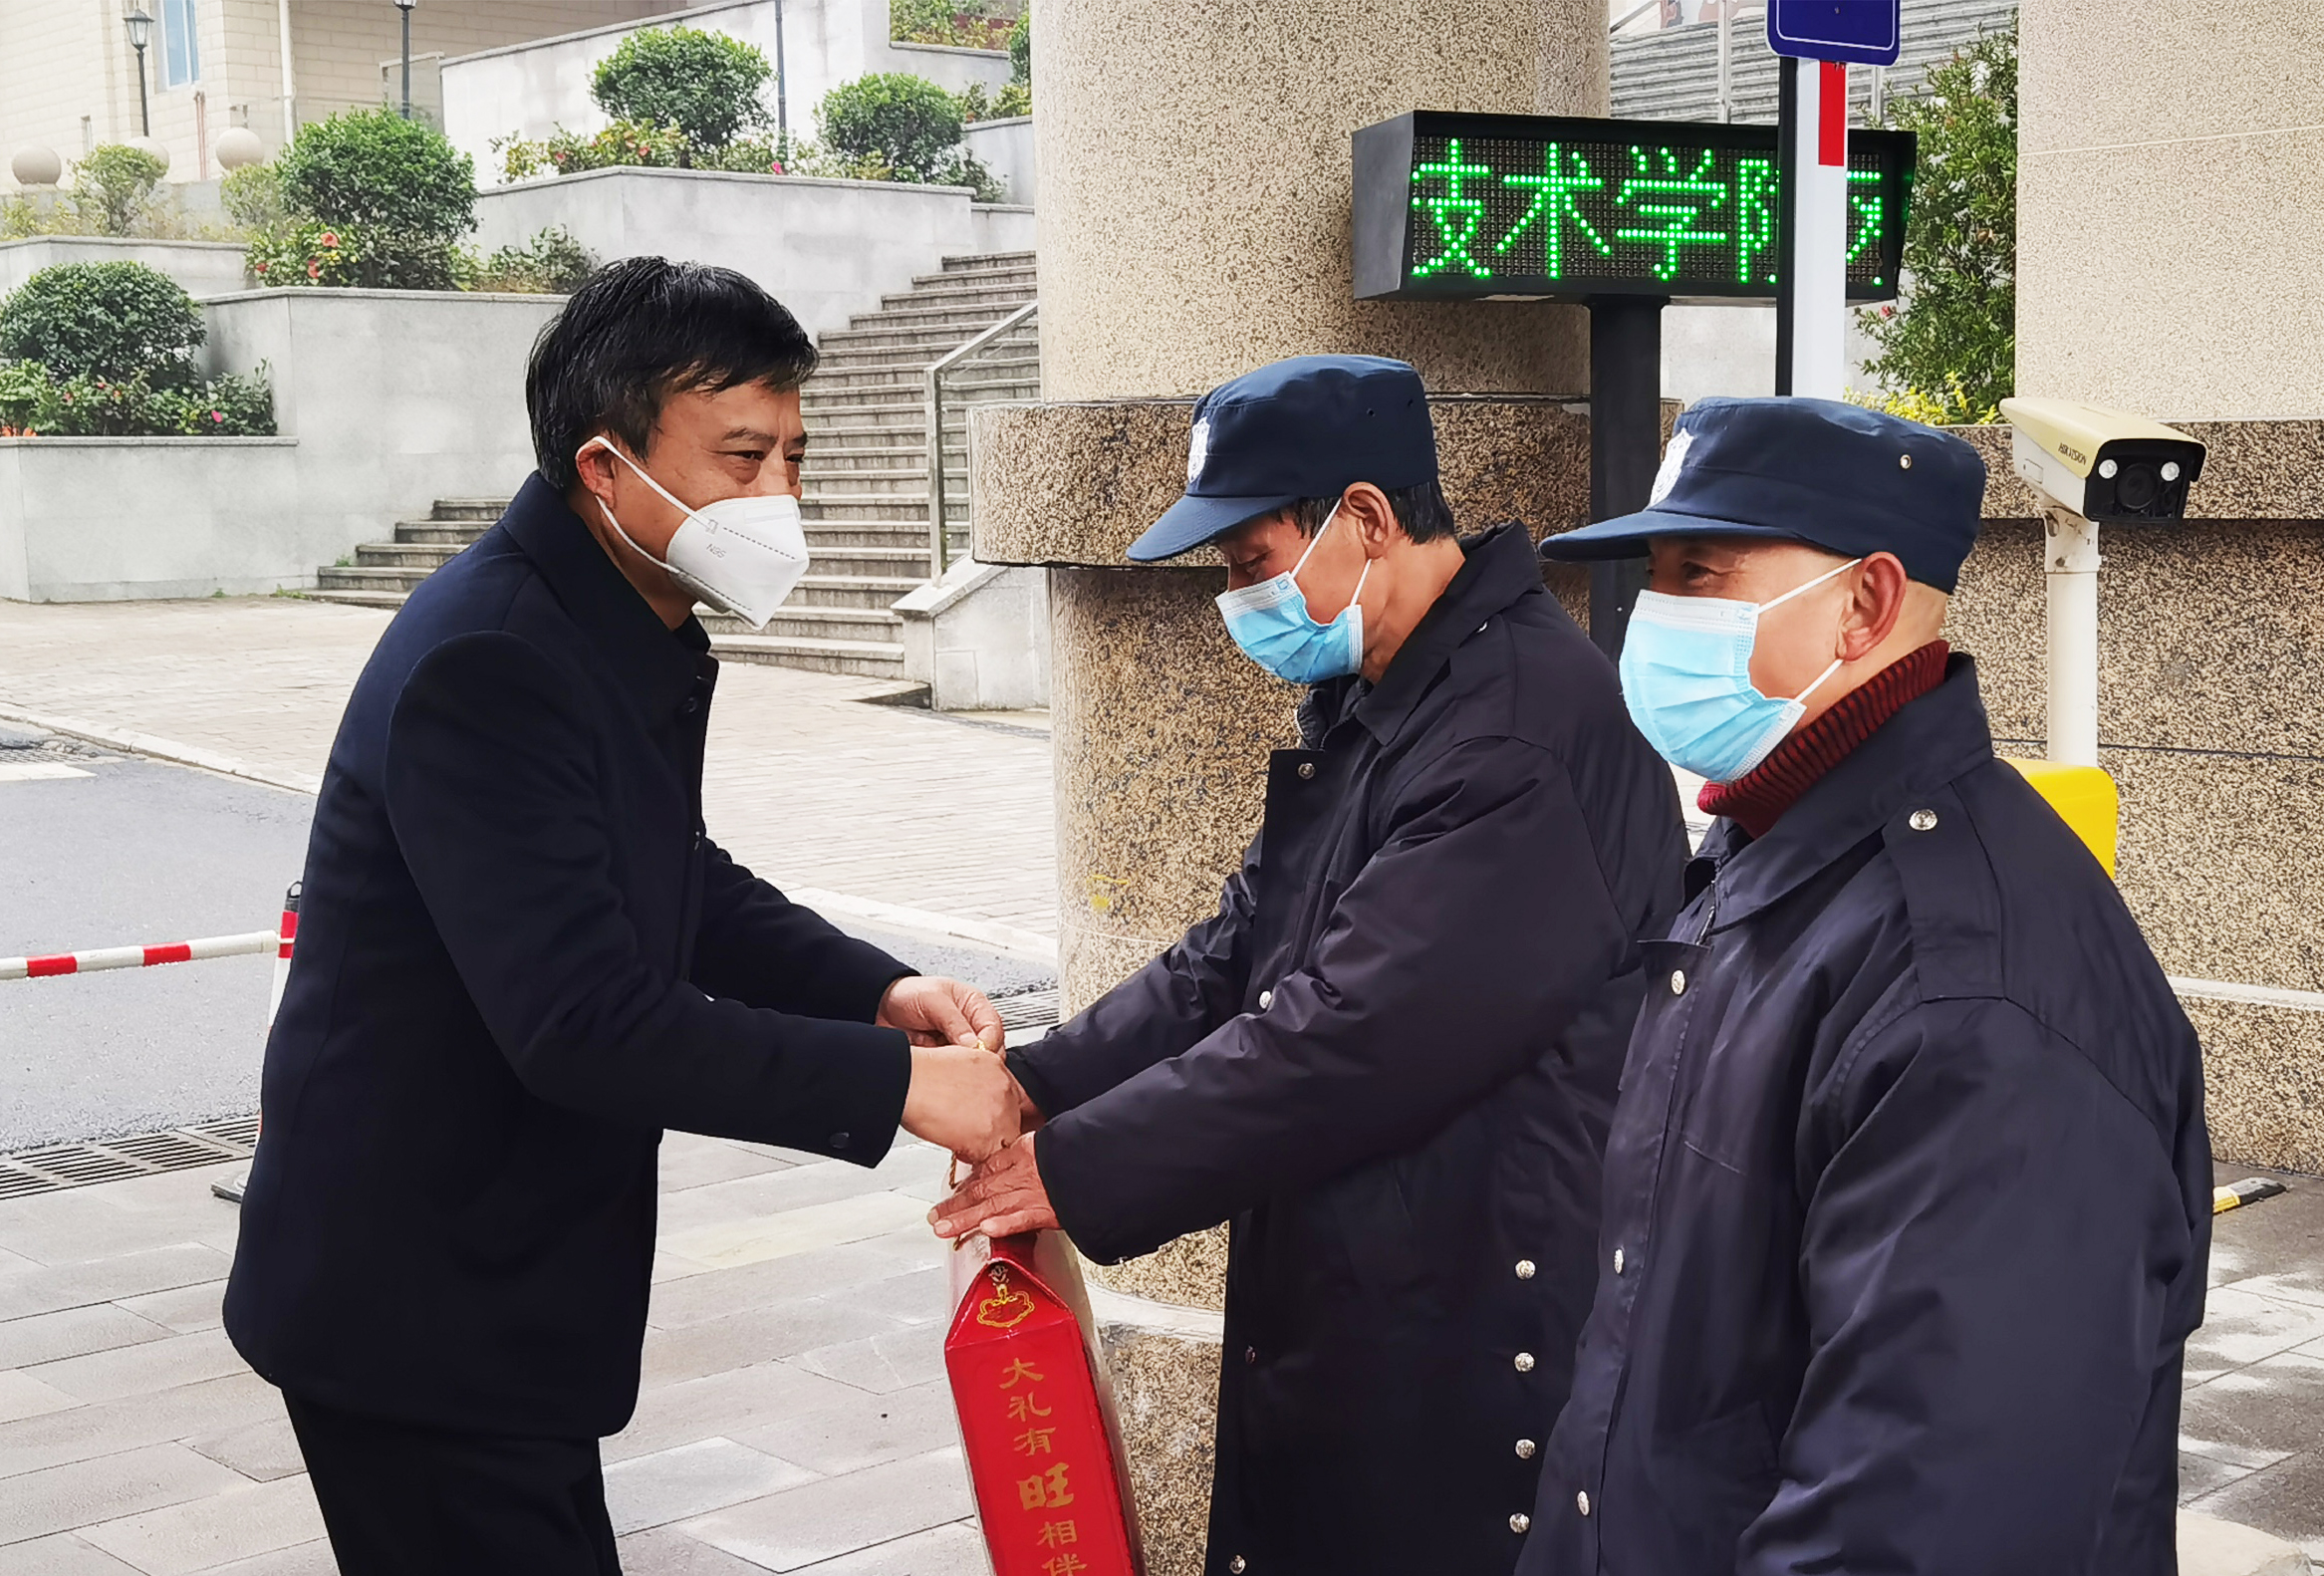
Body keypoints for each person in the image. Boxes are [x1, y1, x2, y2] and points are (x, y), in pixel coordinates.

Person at [224, 258, 1020, 1573]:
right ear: (606, 466)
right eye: (744, 458)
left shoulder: (610, 618)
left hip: (494, 1281)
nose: (780, 497)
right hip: (417, 1299)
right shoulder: (494, 656)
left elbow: (673, 869)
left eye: (794, 457)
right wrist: (896, 1085)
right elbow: (582, 1021)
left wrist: (872, 990)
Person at [931, 355, 1689, 1573]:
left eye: (1250, 561)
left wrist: (1078, 1164)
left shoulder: (1513, 729)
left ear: (1366, 517)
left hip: (1469, 1299)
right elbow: (1239, 946)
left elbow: (1352, 1030)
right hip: (1379, 1267)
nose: (1235, 598)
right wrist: (1038, 1084)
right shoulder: (1385, 694)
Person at [1523, 396, 2211, 1574]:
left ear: (1865, 604)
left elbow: (1920, 1520)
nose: (1651, 613)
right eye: (1653, 574)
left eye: (1699, 572)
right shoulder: (1771, 858)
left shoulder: (1972, 999)